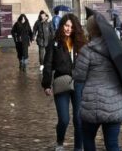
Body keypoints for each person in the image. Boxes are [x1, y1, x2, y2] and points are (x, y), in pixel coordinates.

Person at [75, 15, 122, 151]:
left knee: (88, 138)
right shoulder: (117, 49)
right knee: (112, 144)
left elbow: (79, 76)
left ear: (90, 30)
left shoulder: (86, 51)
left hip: (92, 103)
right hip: (114, 103)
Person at [42, 13, 87, 151]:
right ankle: (60, 142)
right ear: (62, 26)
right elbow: (48, 64)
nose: (68, 29)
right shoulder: (54, 42)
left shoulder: (80, 43)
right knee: (64, 119)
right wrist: (46, 84)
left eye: (71, 27)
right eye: (66, 26)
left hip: (78, 83)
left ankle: (78, 148)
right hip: (61, 82)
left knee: (79, 120)